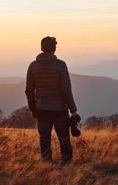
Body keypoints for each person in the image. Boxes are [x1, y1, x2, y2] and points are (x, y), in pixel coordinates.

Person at [25, 36, 78, 165]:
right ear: (54, 48)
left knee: (44, 138)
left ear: (42, 47)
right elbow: (66, 89)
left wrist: (33, 109)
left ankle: (46, 164)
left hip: (42, 109)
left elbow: (29, 90)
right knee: (64, 137)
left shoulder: (33, 66)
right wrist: (73, 110)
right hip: (60, 109)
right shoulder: (60, 65)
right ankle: (67, 163)